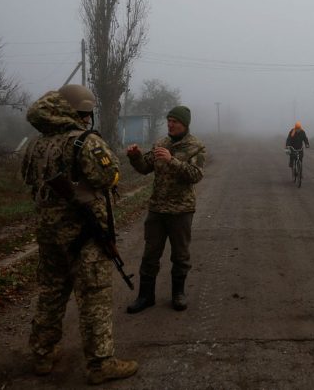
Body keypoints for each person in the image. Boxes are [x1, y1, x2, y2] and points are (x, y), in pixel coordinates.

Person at [20, 84, 138, 385]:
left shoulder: (37, 143)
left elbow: (28, 179)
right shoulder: (84, 142)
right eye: (87, 113)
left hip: (48, 232)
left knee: (50, 292)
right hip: (84, 233)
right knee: (94, 295)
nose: (88, 118)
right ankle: (100, 363)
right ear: (82, 112)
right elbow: (108, 174)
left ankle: (43, 354)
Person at [125, 105, 206, 314]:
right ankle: (145, 296)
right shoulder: (161, 143)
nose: (170, 124)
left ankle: (178, 294)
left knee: (180, 255)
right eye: (168, 120)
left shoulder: (195, 146)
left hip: (181, 210)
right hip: (157, 209)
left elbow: (196, 175)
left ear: (184, 124)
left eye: (174, 121)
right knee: (150, 254)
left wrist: (173, 161)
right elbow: (145, 168)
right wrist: (135, 156)